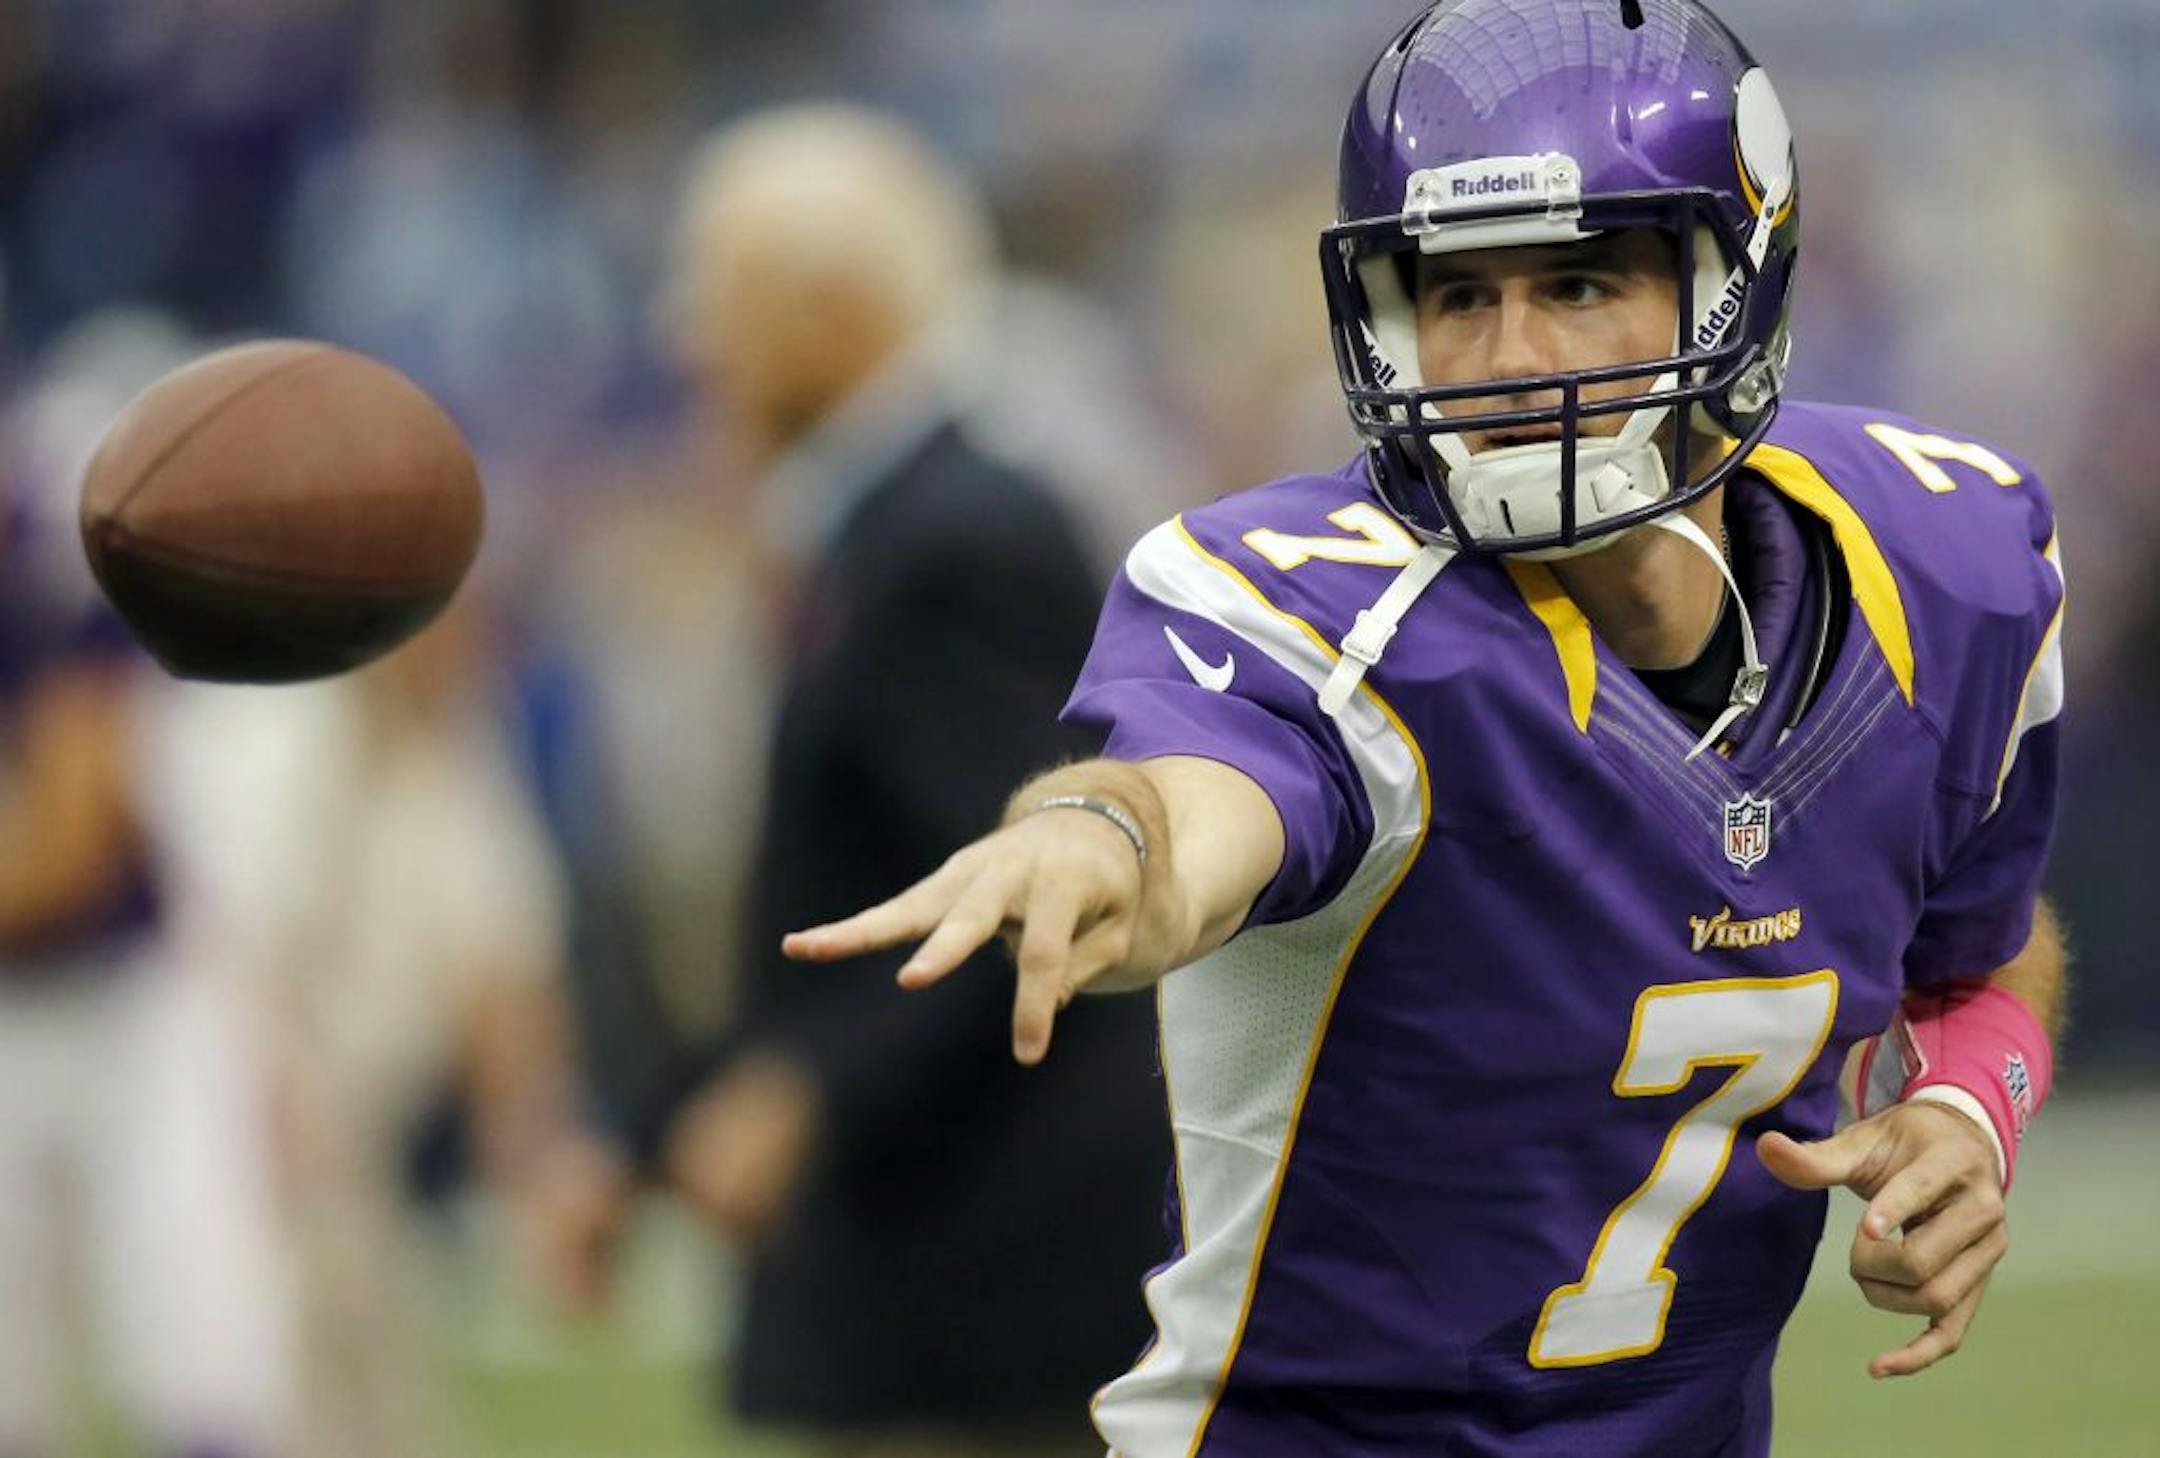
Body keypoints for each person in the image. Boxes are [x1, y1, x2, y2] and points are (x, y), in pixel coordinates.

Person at [783, 3, 2069, 1455]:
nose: (1510, 356)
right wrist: (1096, 837)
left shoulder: (1939, 563)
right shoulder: (1326, 607)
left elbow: (1980, 944)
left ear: (1732, 282)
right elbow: (1200, 802)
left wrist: (1968, 1109)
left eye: (1579, 282)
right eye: (1456, 296)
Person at [637, 105, 1169, 1457]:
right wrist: (656, 1122)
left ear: (832, 307)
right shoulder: (885, 521)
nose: (686, 337)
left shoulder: (958, 533)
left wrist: (807, 1095)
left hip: (991, 1258)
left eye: (717, 292)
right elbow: (850, 873)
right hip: (938, 1252)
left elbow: (1036, 879)